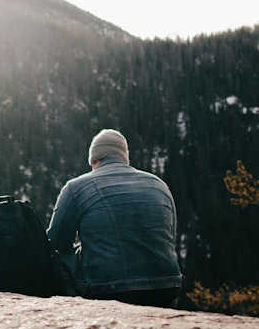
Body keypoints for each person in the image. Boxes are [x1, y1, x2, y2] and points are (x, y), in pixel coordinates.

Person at [46, 128, 182, 307]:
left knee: (60, 258)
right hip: (167, 287)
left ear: (94, 160)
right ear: (124, 158)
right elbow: (169, 238)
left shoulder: (76, 187)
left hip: (108, 289)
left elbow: (54, 242)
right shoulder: (159, 184)